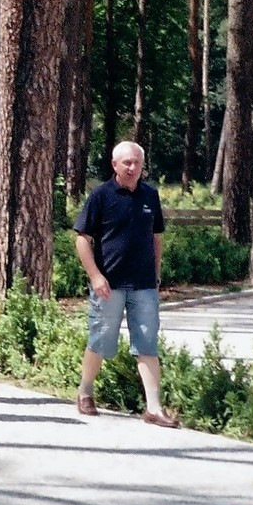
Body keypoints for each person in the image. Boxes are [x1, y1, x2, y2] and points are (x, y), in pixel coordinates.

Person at [75, 141, 177, 426]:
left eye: (137, 163)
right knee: (100, 340)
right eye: (127, 163)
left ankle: (154, 408)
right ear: (114, 165)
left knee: (147, 344)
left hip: (144, 285)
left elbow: (156, 237)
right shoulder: (101, 196)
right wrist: (95, 276)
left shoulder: (150, 195)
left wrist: (156, 274)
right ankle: (85, 392)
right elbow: (82, 239)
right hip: (109, 285)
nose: (132, 168)